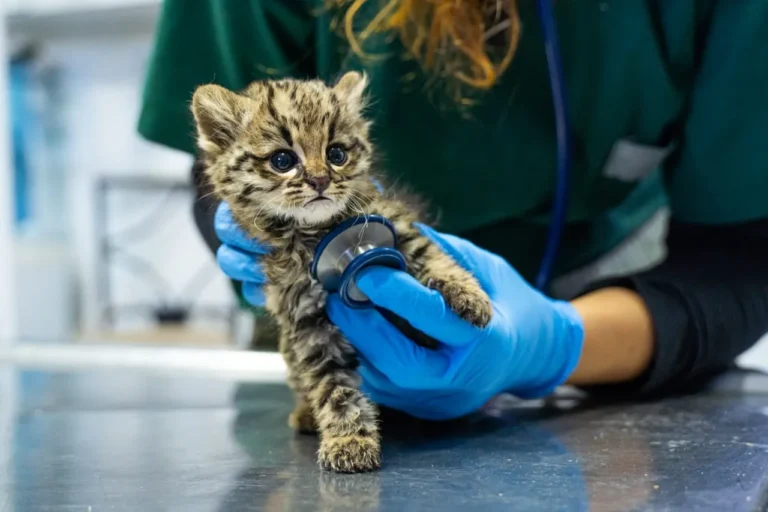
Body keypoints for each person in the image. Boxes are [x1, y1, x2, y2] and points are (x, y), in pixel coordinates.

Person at [138, 0, 768, 420]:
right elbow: (222, 163)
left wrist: (556, 344)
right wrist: (278, 260)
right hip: (327, 301)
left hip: (615, 313)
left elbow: (740, 251)